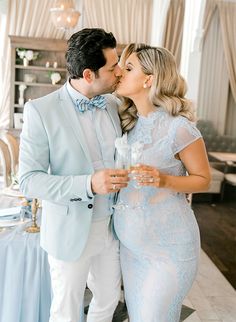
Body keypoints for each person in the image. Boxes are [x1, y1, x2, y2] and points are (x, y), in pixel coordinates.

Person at [19, 28, 130, 322]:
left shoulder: (113, 105)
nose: (120, 71)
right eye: (112, 66)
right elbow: (29, 179)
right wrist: (88, 184)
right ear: (89, 74)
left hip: (112, 228)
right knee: (66, 310)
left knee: (108, 301)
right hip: (70, 231)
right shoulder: (40, 111)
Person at [113, 44, 211, 322]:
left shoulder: (179, 128)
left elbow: (203, 180)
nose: (120, 72)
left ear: (150, 79)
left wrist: (164, 179)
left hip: (168, 251)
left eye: (129, 68)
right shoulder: (125, 122)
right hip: (131, 251)